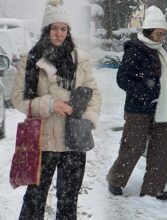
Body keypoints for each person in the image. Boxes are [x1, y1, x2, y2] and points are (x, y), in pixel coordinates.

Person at [11, 0, 102, 219]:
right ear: (46, 31)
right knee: (35, 198)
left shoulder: (80, 59)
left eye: (63, 29)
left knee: (68, 201)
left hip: (73, 140)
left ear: (68, 31)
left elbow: (94, 94)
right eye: (54, 28)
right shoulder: (31, 60)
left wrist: (88, 119)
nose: (59, 33)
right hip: (42, 141)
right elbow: (17, 99)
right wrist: (50, 104)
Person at [106, 5, 167, 201]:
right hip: (137, 109)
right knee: (133, 146)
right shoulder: (135, 50)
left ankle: (154, 188)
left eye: (163, 34)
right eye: (158, 33)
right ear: (148, 30)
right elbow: (122, 79)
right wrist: (143, 90)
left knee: (160, 148)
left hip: (158, 108)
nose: (161, 37)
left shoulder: (158, 51)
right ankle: (116, 180)